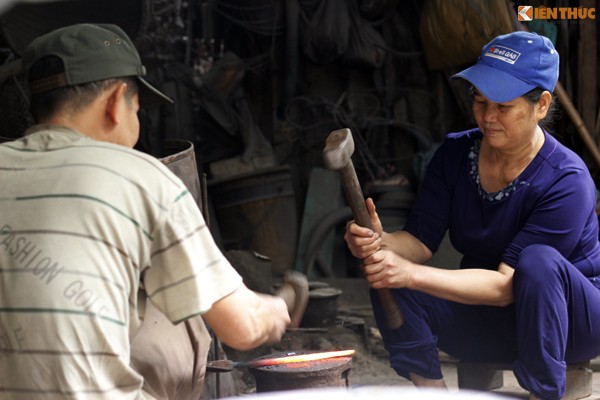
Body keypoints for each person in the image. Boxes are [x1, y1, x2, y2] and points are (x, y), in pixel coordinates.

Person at [0, 23, 291, 399]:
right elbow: (242, 328)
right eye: (137, 109)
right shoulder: (142, 177)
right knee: (180, 326)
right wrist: (277, 308)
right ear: (115, 101)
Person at [344, 31, 600, 400]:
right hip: (492, 322)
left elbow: (504, 287)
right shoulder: (454, 155)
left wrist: (412, 273)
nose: (487, 116)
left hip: (568, 325)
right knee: (387, 278)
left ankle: (545, 392)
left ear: (541, 105)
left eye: (502, 106)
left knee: (538, 262)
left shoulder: (567, 179)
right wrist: (379, 244)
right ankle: (434, 392)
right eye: (479, 102)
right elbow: (417, 242)